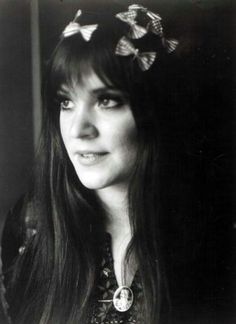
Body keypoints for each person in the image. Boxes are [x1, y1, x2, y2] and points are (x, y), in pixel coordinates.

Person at [0, 3, 203, 324]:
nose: (78, 129)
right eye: (65, 102)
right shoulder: (31, 230)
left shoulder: (211, 236)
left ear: (155, 108)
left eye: (106, 100)